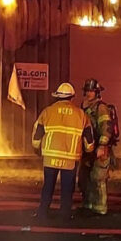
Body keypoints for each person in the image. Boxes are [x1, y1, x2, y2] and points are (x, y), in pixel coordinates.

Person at [31, 82, 94, 221]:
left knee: (48, 185)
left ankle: (42, 213)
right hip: (70, 159)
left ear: (57, 97)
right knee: (67, 188)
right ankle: (65, 215)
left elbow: (37, 134)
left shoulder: (47, 112)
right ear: (72, 98)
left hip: (50, 156)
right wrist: (89, 152)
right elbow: (89, 140)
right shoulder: (81, 115)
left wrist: (36, 148)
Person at [79, 78, 117, 215]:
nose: (89, 93)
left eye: (91, 91)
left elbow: (107, 127)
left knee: (98, 178)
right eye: (87, 91)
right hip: (87, 148)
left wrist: (102, 145)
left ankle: (100, 208)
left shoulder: (101, 108)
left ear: (97, 92)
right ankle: (88, 205)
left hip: (100, 148)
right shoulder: (84, 107)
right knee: (84, 178)